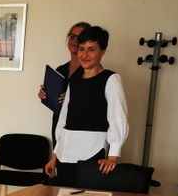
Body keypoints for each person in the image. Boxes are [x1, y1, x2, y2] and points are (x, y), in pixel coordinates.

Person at [45, 26, 129, 186]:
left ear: (103, 51)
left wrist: (112, 156)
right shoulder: (74, 80)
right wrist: (55, 155)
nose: (84, 55)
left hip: (91, 153)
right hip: (64, 156)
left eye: (91, 49)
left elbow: (118, 117)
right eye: (81, 49)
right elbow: (64, 119)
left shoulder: (110, 79)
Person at [38, 21, 91, 145]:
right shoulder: (61, 70)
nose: (74, 40)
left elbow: (94, 103)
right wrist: (45, 94)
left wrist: (72, 97)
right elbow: (55, 101)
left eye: (80, 37)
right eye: (72, 36)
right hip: (58, 124)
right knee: (57, 156)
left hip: (80, 128)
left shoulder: (91, 71)